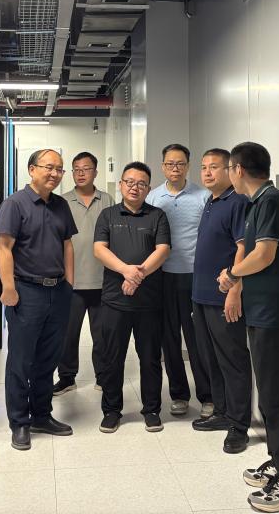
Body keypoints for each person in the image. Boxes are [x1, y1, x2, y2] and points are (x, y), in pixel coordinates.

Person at [219, 142, 279, 512]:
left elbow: (264, 254)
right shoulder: (257, 203)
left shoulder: (270, 201)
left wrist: (231, 274)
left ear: (238, 169)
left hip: (278, 316)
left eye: (228, 168)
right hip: (264, 313)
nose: (228, 174)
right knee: (271, 394)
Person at [0, 149, 78, 451]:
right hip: (26, 292)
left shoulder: (60, 205)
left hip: (58, 291)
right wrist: (8, 287)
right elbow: (4, 248)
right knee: (21, 360)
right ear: (32, 169)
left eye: (59, 169)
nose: (55, 174)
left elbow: (67, 245)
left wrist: (69, 283)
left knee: (48, 359)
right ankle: (19, 422)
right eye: (49, 167)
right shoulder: (14, 204)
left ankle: (42, 415)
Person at [93, 162, 171, 433]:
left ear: (148, 188)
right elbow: (99, 249)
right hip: (114, 300)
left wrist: (138, 275)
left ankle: (151, 410)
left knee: (150, 358)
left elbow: (163, 250)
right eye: (129, 182)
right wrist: (127, 271)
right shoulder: (107, 215)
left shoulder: (157, 216)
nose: (134, 187)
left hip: (149, 302)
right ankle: (111, 410)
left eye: (141, 183)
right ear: (121, 184)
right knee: (112, 358)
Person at [190, 148, 252, 454]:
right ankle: (222, 412)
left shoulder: (237, 202)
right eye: (203, 167)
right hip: (201, 295)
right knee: (211, 358)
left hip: (223, 297)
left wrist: (234, 290)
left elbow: (243, 248)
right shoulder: (211, 202)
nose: (207, 172)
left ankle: (239, 426)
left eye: (214, 167)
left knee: (232, 360)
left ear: (230, 170)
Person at [144, 143, 213, 418]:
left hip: (194, 277)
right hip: (162, 277)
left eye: (181, 163)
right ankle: (179, 395)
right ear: (163, 166)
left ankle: (207, 395)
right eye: (170, 163)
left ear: (188, 166)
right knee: (169, 339)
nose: (175, 168)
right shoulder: (153, 197)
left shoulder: (203, 196)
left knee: (197, 339)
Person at [54, 151, 113, 395]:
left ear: (95, 172)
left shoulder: (107, 200)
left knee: (102, 335)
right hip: (71, 281)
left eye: (86, 169)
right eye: (76, 169)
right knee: (68, 335)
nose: (80, 173)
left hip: (102, 281)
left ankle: (103, 376)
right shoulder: (61, 202)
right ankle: (67, 378)